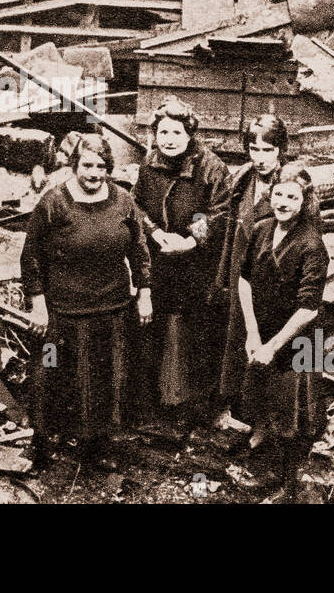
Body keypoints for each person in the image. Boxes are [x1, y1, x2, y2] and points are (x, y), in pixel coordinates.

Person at [20, 133, 153, 469]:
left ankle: (96, 444)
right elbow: (30, 255)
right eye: (87, 165)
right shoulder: (53, 202)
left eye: (101, 166)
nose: (94, 173)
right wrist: (37, 302)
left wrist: (145, 292)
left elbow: (139, 250)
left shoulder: (123, 201)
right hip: (62, 311)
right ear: (75, 166)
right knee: (50, 370)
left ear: (109, 167)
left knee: (103, 377)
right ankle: (44, 441)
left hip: (111, 309)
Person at [227, 164, 329, 501]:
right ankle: (261, 460)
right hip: (263, 333)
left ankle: (286, 484)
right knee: (260, 401)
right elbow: (243, 278)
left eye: (292, 196)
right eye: (279, 195)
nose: (283, 202)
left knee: (291, 417)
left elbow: (309, 307)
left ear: (304, 201)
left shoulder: (312, 244)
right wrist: (253, 333)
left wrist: (273, 345)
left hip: (294, 343)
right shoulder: (261, 229)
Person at [130, 96, 233, 428]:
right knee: (153, 329)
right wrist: (156, 233)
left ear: (190, 135)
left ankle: (190, 408)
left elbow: (217, 213)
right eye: (163, 133)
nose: (169, 140)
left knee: (193, 333)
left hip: (196, 267)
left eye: (176, 133)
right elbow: (137, 205)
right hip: (159, 260)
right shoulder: (150, 163)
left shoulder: (212, 168)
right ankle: (154, 403)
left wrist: (189, 239)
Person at [215, 114, 290, 433]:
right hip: (239, 273)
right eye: (254, 149)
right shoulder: (243, 179)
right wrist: (223, 278)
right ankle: (241, 415)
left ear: (281, 150)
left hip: (272, 281)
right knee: (237, 343)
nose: (260, 158)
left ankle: (266, 425)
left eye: (268, 150)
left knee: (267, 347)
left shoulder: (291, 184)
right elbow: (230, 230)